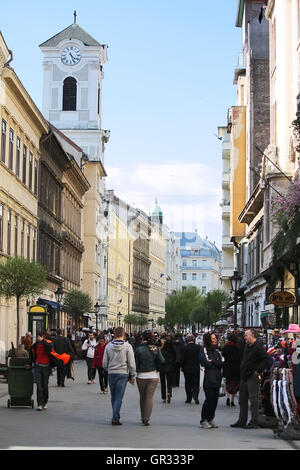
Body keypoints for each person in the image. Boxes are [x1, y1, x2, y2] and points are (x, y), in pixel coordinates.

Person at [231, 328, 271, 429]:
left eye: (246, 335)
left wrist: (258, 370)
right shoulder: (247, 346)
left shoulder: (258, 346)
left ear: (252, 336)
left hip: (252, 376)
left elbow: (267, 359)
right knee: (242, 399)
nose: (244, 337)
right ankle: (242, 420)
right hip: (245, 376)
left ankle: (254, 421)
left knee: (254, 400)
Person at [102, 326, 136, 425]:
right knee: (119, 397)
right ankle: (115, 417)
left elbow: (104, 362)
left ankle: (115, 415)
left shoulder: (108, 346)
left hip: (112, 373)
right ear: (123, 334)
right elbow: (131, 363)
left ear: (114, 334)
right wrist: (132, 375)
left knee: (113, 395)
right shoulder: (128, 346)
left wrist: (108, 369)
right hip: (123, 373)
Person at [134, 331, 164, 426]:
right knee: (149, 397)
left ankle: (143, 416)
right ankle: (147, 418)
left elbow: (135, 362)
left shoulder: (138, 349)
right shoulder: (155, 348)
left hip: (141, 375)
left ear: (142, 338)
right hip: (153, 375)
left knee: (142, 397)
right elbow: (162, 360)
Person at [199, 332, 223, 429]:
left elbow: (220, 363)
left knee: (215, 400)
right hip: (208, 378)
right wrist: (214, 362)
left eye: (215, 338)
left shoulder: (217, 351)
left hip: (217, 378)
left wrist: (212, 361)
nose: (215, 340)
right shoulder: (203, 350)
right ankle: (204, 419)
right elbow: (204, 362)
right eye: (213, 338)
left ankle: (210, 418)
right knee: (209, 399)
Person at [30, 331, 53, 411]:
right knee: (39, 386)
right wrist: (30, 364)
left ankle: (45, 402)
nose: (37, 338)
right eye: (37, 337)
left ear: (43, 337)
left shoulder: (47, 344)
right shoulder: (35, 346)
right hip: (38, 366)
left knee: (45, 386)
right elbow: (31, 354)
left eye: (39, 336)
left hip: (46, 367)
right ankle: (39, 404)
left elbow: (49, 349)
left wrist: (43, 341)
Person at [222, 333, 241, 407]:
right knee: (235, 384)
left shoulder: (226, 347)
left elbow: (223, 355)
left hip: (227, 368)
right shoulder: (237, 348)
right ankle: (233, 400)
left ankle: (227, 397)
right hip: (235, 368)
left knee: (228, 382)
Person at [181, 334, 201, 404]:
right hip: (195, 368)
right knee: (196, 383)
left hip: (187, 368)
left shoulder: (184, 348)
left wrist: (182, 367)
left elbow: (182, 359)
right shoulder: (198, 347)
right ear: (193, 339)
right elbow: (200, 358)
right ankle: (196, 395)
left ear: (187, 340)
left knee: (188, 383)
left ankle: (188, 398)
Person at [159, 333, 176, 403]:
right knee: (169, 382)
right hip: (170, 366)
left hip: (162, 366)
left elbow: (157, 355)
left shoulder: (160, 346)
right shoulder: (171, 344)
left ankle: (163, 397)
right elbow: (175, 355)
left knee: (162, 382)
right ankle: (169, 392)